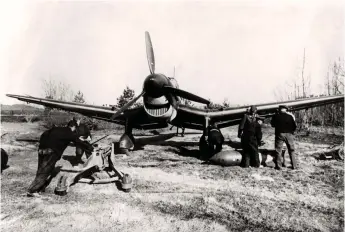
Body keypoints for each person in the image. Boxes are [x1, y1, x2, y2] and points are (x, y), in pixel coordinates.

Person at [27, 120, 93, 197]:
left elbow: (44, 135)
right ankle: (32, 190)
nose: (75, 130)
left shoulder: (55, 129)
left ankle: (40, 187)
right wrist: (90, 148)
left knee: (41, 169)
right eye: (75, 129)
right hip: (51, 151)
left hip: (41, 150)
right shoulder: (69, 133)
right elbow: (78, 142)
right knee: (45, 171)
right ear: (73, 127)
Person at [270, 105, 297, 170]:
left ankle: (279, 166)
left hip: (279, 134)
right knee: (291, 150)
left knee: (278, 150)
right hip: (289, 134)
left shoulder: (276, 116)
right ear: (286, 110)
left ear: (279, 109)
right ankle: (294, 166)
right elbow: (294, 127)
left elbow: (272, 125)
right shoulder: (290, 116)